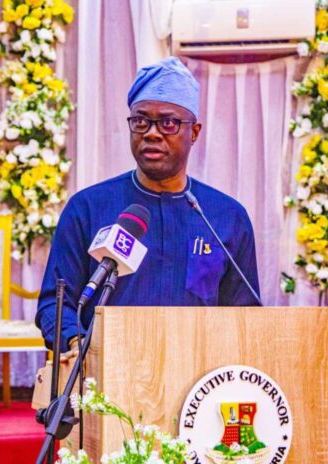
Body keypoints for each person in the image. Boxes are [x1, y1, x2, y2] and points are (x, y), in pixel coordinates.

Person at [35, 57, 261, 360]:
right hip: (106, 377)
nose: (152, 133)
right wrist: (75, 343)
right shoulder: (88, 208)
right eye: (141, 121)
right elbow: (55, 302)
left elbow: (244, 313)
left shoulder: (225, 217)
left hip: (199, 381)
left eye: (168, 122)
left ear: (194, 132)